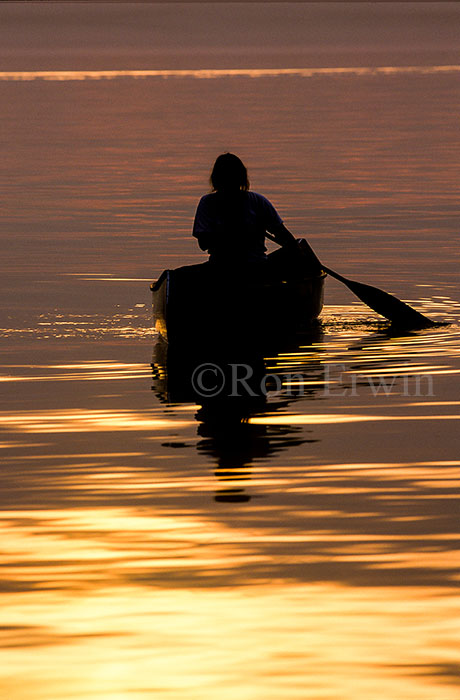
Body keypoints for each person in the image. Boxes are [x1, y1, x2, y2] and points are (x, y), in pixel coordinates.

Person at [192, 153, 302, 276]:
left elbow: (283, 235)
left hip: (256, 266)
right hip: (220, 267)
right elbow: (203, 243)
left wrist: (297, 250)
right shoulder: (208, 203)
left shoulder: (258, 201)